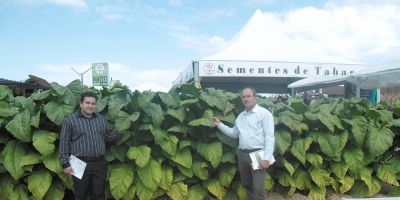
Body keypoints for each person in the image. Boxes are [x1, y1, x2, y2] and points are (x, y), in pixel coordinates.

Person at [212, 87, 275, 200]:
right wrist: (219, 125)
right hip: (242, 154)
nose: (245, 99)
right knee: (247, 185)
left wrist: (267, 158)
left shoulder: (264, 114)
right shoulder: (241, 116)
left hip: (257, 155)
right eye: (243, 97)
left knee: (259, 188)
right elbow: (234, 133)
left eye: (248, 96)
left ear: (255, 98)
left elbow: (270, 137)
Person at [59, 91, 122, 200]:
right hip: (79, 163)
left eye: (93, 103)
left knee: (99, 194)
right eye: (87, 103)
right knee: (81, 195)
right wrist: (65, 164)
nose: (90, 106)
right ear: (81, 104)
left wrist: (122, 132)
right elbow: (64, 142)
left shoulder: (100, 119)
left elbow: (109, 135)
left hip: (99, 163)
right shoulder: (70, 120)